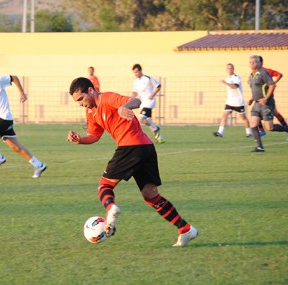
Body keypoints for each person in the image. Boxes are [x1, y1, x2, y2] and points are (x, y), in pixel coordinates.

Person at [66, 77, 197, 247]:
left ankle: (110, 209)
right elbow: (95, 136)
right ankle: (185, 229)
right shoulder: (91, 111)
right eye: (77, 101)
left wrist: (124, 107)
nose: (80, 104)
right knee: (151, 196)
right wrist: (80, 140)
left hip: (131, 147)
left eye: (81, 99)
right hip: (146, 148)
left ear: (91, 91)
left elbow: (136, 100)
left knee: (104, 186)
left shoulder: (107, 98)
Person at [247, 56, 288, 152]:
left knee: (270, 127)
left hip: (266, 103)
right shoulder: (251, 75)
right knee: (253, 124)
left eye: (254, 62)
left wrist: (266, 98)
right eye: (250, 62)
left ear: (260, 63)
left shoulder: (263, 72)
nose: (252, 63)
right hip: (257, 103)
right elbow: (257, 90)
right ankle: (260, 147)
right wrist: (252, 99)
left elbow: (272, 85)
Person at [257, 56, 288, 141]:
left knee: (258, 114)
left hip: (268, 98)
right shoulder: (255, 72)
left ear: (261, 63)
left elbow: (279, 74)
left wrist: (273, 83)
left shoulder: (267, 71)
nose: (254, 64)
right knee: (257, 114)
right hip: (260, 98)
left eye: (256, 62)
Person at [213, 63, 252, 138]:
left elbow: (235, 87)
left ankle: (249, 132)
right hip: (230, 102)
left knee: (243, 118)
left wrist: (225, 83)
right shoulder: (227, 78)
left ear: (233, 69)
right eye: (228, 68)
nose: (229, 70)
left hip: (238, 102)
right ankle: (220, 132)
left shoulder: (237, 77)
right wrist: (226, 82)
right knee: (224, 116)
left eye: (231, 68)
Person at [131, 63, 165, 144]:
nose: (135, 74)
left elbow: (158, 85)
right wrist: (131, 98)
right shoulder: (135, 81)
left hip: (150, 102)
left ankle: (155, 127)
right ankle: (160, 138)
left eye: (136, 72)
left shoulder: (147, 78)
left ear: (140, 71)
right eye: (134, 73)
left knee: (141, 118)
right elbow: (135, 92)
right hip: (143, 103)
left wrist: (152, 95)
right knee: (148, 120)